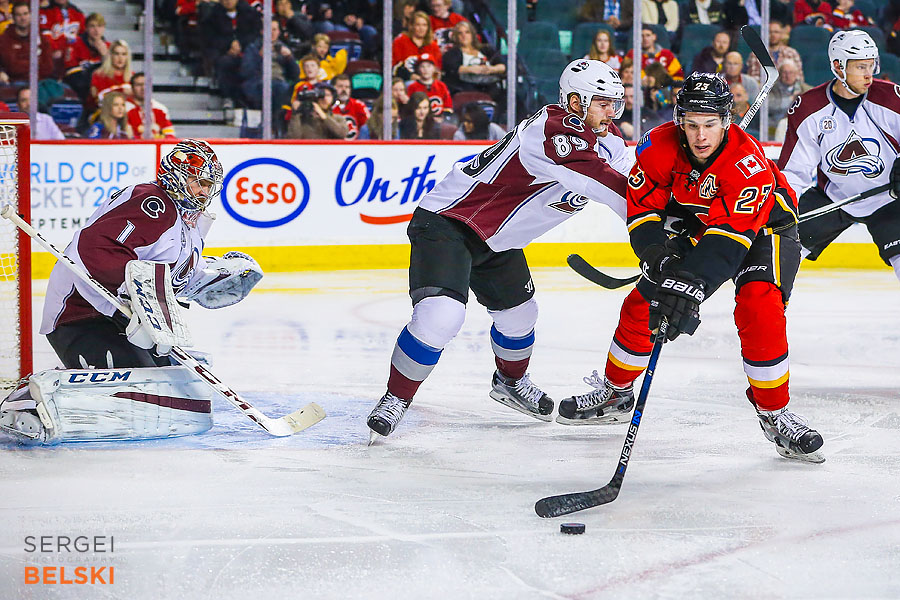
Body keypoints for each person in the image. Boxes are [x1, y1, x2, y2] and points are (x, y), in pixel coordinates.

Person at [562, 72, 824, 463]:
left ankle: (775, 413)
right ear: (679, 120)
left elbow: (729, 241)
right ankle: (616, 392)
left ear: (726, 121)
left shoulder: (746, 163)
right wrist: (656, 254)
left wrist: (691, 285)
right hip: (702, 224)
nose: (700, 136)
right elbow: (644, 209)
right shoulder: (657, 145)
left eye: (710, 125)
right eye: (692, 125)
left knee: (759, 304)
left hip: (765, 229)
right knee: (645, 301)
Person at [366, 59, 630, 442]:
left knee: (521, 316)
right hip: (449, 223)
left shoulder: (608, 141)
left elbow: (638, 178)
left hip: (498, 241)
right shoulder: (555, 130)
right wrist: (666, 219)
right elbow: (613, 188)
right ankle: (396, 397)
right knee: (441, 316)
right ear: (575, 101)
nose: (612, 112)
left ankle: (510, 382)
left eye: (615, 104)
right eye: (603, 103)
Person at [0, 140, 263, 444]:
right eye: (200, 182)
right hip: (82, 314)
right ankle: (30, 398)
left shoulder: (188, 226)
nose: (205, 192)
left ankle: (65, 382)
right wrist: (133, 299)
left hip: (125, 321)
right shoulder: (152, 203)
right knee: (139, 384)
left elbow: (173, 281)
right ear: (178, 174)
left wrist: (215, 278)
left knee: (176, 383)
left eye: (209, 185)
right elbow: (94, 248)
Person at [778, 30, 900, 284]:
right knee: (780, 250)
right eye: (861, 67)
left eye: (872, 65)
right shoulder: (809, 108)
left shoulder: (892, 99)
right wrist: (780, 203)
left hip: (889, 199)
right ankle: (766, 306)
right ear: (838, 66)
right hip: (833, 198)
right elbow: (795, 172)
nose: (870, 74)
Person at [441, 19, 505, 99]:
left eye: (467, 32)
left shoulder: (486, 49)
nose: (464, 35)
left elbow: (503, 66)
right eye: (460, 33)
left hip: (490, 85)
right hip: (466, 87)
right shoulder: (452, 53)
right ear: (456, 37)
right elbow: (452, 68)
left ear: (472, 34)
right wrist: (471, 69)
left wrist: (491, 69)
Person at [0, 1, 54, 85]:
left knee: (67, 93)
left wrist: (26, 64)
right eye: (18, 15)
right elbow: (13, 68)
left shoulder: (42, 38)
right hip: (17, 82)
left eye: (25, 14)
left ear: (31, 16)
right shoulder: (5, 39)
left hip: (41, 81)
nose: (23, 18)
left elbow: (48, 67)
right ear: (13, 18)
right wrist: (37, 64)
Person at [62, 11, 108, 101]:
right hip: (79, 89)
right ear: (86, 28)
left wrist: (105, 56)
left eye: (99, 26)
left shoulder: (109, 47)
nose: (96, 30)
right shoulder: (74, 45)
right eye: (92, 26)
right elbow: (72, 75)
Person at [392, 10, 442, 80]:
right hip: (405, 81)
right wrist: (409, 76)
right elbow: (394, 67)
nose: (421, 28)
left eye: (424, 25)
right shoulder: (400, 41)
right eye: (418, 25)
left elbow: (437, 68)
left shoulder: (433, 45)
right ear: (411, 26)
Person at [125, 72, 176, 139]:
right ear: (132, 88)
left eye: (146, 85)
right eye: (138, 85)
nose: (143, 88)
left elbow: (170, 134)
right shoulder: (124, 108)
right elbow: (124, 135)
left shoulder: (160, 108)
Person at [89, 39, 133, 113]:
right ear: (111, 56)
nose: (120, 58)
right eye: (116, 54)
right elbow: (97, 99)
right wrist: (121, 91)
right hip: (104, 113)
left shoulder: (132, 77)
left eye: (124, 54)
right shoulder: (99, 75)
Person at [406, 54, 452, 119]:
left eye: (429, 66)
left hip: (439, 121)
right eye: (422, 66)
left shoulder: (441, 86)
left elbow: (448, 106)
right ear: (418, 69)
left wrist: (442, 118)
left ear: (434, 68)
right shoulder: (412, 87)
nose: (426, 69)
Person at [331, 73, 369, 139]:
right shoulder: (328, 106)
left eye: (347, 87)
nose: (344, 90)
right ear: (333, 88)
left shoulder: (358, 105)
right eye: (340, 86)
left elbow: (369, 126)